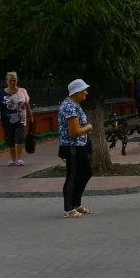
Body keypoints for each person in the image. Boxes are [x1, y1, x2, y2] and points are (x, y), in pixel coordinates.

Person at [58, 79, 93, 218]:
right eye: (84, 90)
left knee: (86, 172)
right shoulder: (69, 107)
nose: (86, 92)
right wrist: (88, 127)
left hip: (80, 146)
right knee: (72, 176)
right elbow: (74, 132)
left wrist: (85, 130)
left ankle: (76, 203)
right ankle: (68, 208)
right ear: (77, 92)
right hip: (72, 147)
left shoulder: (75, 105)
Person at [0, 72, 33, 167]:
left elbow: (27, 105)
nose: (13, 82)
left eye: (14, 80)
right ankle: (13, 159)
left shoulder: (22, 91)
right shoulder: (1, 93)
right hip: (6, 121)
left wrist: (31, 117)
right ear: (7, 81)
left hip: (20, 120)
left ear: (17, 80)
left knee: (19, 138)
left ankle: (19, 159)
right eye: (11, 81)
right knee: (10, 140)